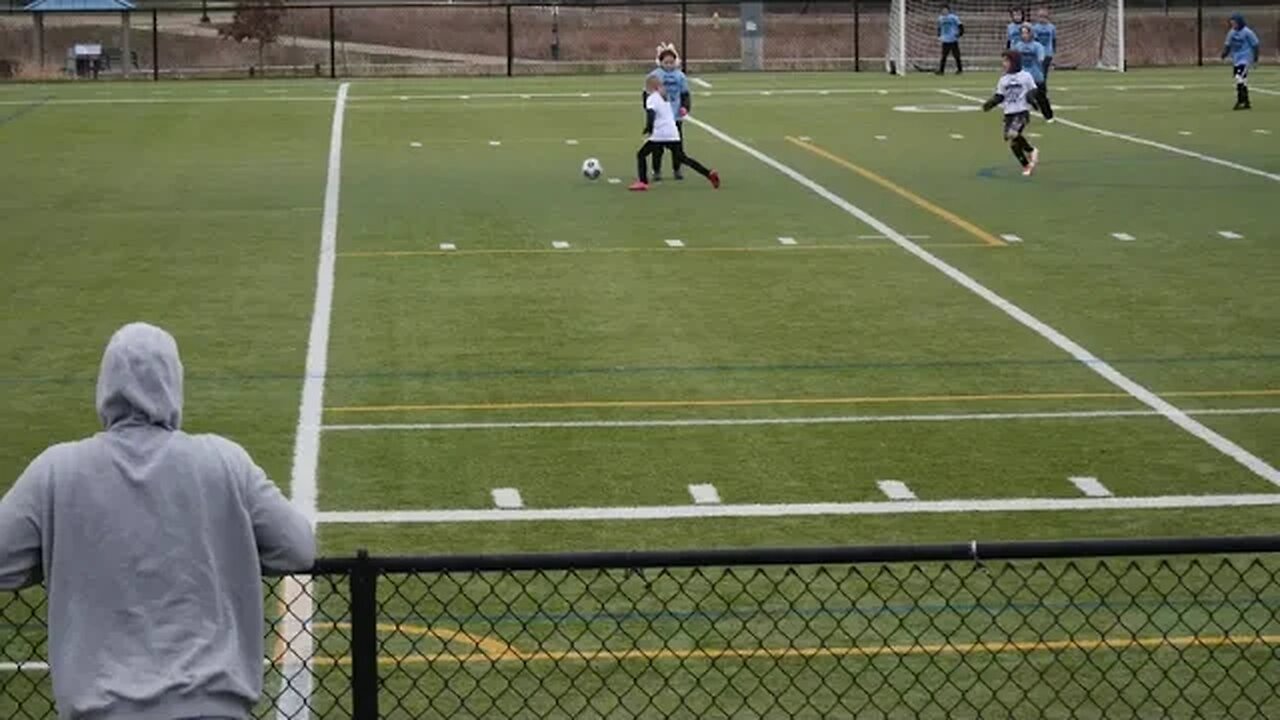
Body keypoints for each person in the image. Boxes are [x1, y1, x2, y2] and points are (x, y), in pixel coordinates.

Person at [0, 322, 316, 720]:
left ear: (105, 386)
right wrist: (228, 543)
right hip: (212, 707)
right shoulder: (223, 461)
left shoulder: (58, 470)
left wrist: (54, 554)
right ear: (174, 382)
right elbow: (298, 547)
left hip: (101, 709)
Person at [632, 75, 719, 191]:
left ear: (650, 87)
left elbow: (651, 114)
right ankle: (708, 173)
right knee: (683, 158)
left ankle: (643, 182)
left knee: (641, 154)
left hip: (660, 134)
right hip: (673, 133)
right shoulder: (665, 97)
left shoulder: (652, 98)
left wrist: (649, 128)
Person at [983, 50, 1041, 176]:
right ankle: (1026, 165)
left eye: (1006, 61)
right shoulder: (1003, 80)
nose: (1004, 64)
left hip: (1022, 112)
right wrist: (990, 103)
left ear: (1014, 61)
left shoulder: (1025, 76)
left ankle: (1031, 150)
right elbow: (1000, 96)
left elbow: (1034, 90)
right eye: (1003, 61)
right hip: (1009, 113)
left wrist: (1032, 98)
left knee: (1012, 133)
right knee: (1013, 144)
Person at [644, 43, 691, 181]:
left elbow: (685, 94)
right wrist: (649, 111)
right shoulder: (655, 76)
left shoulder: (680, 76)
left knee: (677, 146)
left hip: (675, 117)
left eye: (671, 62)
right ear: (660, 62)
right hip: (660, 118)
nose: (669, 65)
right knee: (657, 146)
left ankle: (677, 169)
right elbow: (647, 94)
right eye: (666, 62)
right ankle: (656, 170)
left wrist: (685, 107)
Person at [1013, 23, 1054, 121]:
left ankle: (1048, 116)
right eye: (1022, 33)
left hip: (1036, 76)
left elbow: (1041, 59)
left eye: (1026, 33)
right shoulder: (1018, 46)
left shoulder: (1037, 46)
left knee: (1041, 97)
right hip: (1023, 76)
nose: (1024, 35)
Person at [1221, 13, 1260, 110]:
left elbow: (1255, 45)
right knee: (1243, 80)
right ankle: (1246, 102)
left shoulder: (1248, 32)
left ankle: (1240, 100)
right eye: (1232, 23)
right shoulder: (1231, 33)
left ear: (1240, 22)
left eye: (1235, 23)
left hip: (1245, 59)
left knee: (1239, 77)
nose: (1233, 25)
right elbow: (1228, 45)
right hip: (1236, 59)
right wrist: (1224, 54)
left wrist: (1255, 60)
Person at [936, 5, 965, 75]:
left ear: (948, 10)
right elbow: (939, 27)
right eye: (943, 10)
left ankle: (960, 70)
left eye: (945, 10)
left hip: (953, 39)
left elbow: (960, 25)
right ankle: (941, 71)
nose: (944, 11)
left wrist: (960, 33)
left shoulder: (953, 17)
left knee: (957, 56)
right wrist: (939, 34)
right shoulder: (940, 18)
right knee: (943, 56)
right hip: (945, 40)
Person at [1032, 8, 1057, 87]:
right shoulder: (1035, 28)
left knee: (1044, 73)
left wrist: (1053, 51)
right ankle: (1037, 88)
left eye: (1044, 17)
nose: (1042, 19)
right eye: (1040, 17)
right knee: (1037, 72)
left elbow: (1053, 40)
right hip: (1038, 54)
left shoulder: (1051, 27)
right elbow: (1035, 41)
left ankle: (1042, 89)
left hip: (1047, 53)